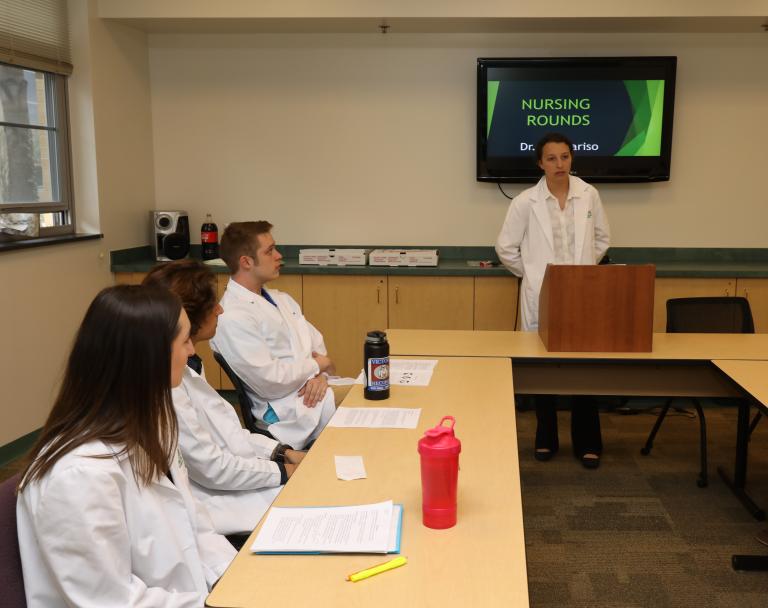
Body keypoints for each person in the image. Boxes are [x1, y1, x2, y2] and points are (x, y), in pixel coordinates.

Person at [16, 285, 236, 607]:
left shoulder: (152, 426)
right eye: (184, 341)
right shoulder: (78, 475)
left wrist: (237, 581)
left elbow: (196, 527)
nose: (192, 351)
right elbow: (112, 601)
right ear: (149, 358)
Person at [143, 260, 306, 536]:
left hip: (241, 478)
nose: (220, 309)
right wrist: (284, 472)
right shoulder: (168, 386)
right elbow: (213, 467)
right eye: (213, 305)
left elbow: (229, 434)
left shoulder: (189, 366)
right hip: (221, 502)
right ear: (189, 318)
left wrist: (283, 453)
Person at [495, 132, 611, 468]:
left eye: (564, 157)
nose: (559, 164)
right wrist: (533, 275)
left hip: (582, 293)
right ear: (540, 164)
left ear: (571, 159)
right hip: (544, 294)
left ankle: (588, 440)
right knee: (542, 366)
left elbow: (602, 239)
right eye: (551, 158)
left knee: (585, 366)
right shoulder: (525, 202)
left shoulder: (589, 195)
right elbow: (505, 248)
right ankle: (545, 436)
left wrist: (581, 273)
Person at [211, 221, 336, 450]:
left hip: (312, 391)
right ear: (246, 262)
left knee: (373, 393)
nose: (279, 256)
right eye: (269, 251)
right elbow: (270, 381)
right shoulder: (232, 316)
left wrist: (321, 376)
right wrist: (317, 366)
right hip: (284, 409)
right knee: (367, 404)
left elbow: (318, 349)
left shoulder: (282, 299)